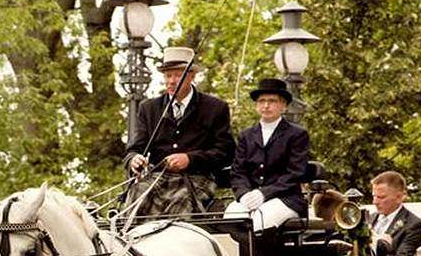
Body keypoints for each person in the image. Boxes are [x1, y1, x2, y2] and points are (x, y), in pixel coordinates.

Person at [124, 46, 235, 215]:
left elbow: (226, 152)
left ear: (191, 76)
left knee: (178, 207)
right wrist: (134, 160)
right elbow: (134, 149)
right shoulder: (149, 108)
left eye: (177, 75)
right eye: (168, 75)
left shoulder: (215, 108)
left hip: (197, 178)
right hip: (156, 178)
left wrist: (190, 159)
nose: (171, 81)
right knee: (133, 206)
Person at [224, 78, 309, 231]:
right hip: (250, 198)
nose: (266, 105)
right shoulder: (246, 135)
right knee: (231, 217)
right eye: (261, 101)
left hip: (285, 199)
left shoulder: (296, 134)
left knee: (259, 222)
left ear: (283, 105)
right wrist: (243, 194)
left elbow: (295, 173)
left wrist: (264, 193)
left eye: (272, 101)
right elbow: (238, 172)